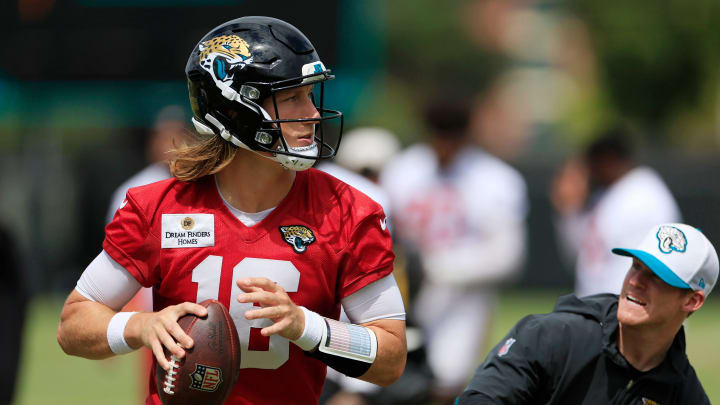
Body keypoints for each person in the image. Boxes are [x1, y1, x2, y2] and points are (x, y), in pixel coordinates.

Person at [56, 16, 407, 405]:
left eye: (310, 95)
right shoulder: (157, 207)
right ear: (237, 108)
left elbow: (390, 358)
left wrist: (306, 326)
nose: (310, 113)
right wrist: (141, 325)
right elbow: (74, 324)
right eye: (292, 97)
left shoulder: (348, 212)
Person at [459, 223, 717, 404]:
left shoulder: (683, 394)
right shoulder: (552, 337)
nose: (636, 281)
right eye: (636, 266)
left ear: (692, 300)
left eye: (657, 276)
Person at [380, 93, 528, 401]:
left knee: (447, 381)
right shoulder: (403, 170)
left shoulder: (495, 179)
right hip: (404, 292)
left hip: (463, 299)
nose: (443, 145)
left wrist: (436, 267)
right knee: (390, 378)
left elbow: (507, 256)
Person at [552, 127, 681, 296]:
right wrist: (569, 210)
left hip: (631, 304)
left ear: (610, 160)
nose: (591, 171)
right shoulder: (608, 196)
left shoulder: (643, 194)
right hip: (603, 305)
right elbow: (585, 254)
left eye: (593, 163)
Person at [106, 105, 189, 224]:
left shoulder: (205, 185)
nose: (174, 144)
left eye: (180, 135)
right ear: (153, 143)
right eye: (166, 137)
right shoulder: (133, 190)